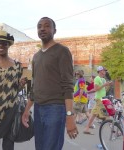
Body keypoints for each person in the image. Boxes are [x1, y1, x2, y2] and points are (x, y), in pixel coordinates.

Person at [22, 17, 78, 150]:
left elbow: (68, 85)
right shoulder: (36, 56)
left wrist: (69, 116)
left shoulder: (62, 51)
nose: (42, 28)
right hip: (38, 108)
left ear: (54, 30)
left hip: (55, 109)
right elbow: (35, 86)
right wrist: (26, 110)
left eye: (47, 26)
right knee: (40, 147)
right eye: (39, 26)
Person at [83, 66, 112, 135]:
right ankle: (113, 129)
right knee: (108, 114)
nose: (105, 71)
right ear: (100, 71)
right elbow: (96, 89)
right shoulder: (97, 78)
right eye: (104, 70)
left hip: (103, 98)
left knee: (93, 114)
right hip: (99, 99)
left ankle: (87, 128)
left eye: (105, 70)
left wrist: (108, 85)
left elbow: (104, 89)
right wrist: (104, 85)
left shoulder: (103, 79)